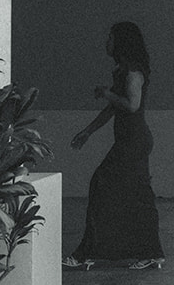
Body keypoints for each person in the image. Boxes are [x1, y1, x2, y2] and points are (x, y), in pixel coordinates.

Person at [65, 21, 165, 270]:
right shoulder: (123, 70)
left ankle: (86, 253)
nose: (106, 43)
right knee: (138, 196)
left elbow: (131, 104)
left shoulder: (132, 72)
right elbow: (114, 108)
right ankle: (149, 252)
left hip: (133, 142)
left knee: (102, 185)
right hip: (131, 141)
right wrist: (88, 131)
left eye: (110, 38)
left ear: (121, 42)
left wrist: (107, 93)